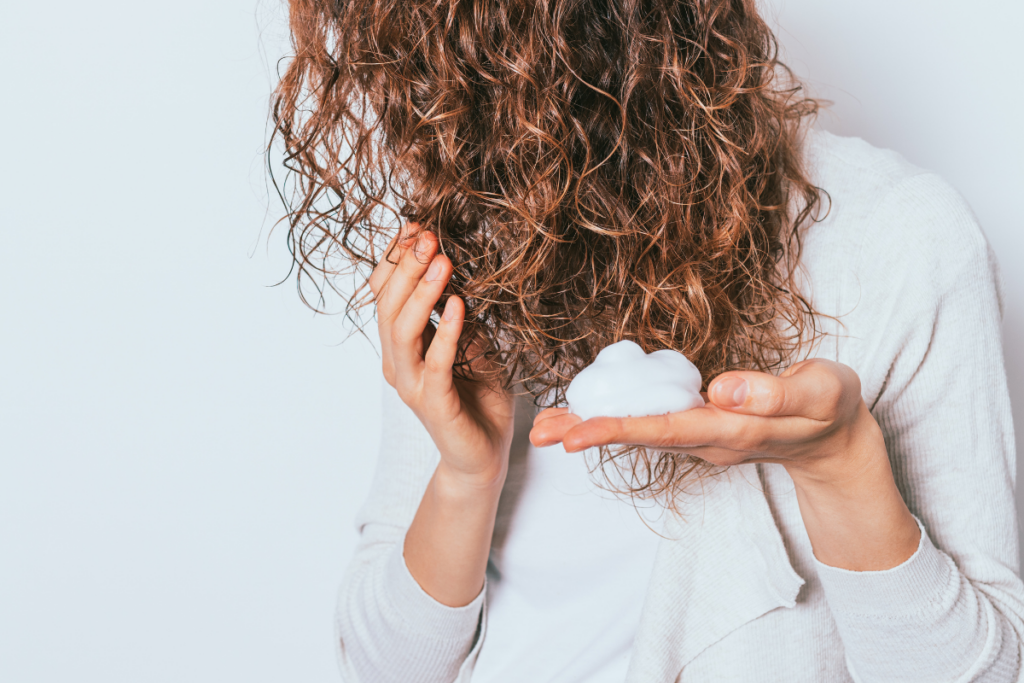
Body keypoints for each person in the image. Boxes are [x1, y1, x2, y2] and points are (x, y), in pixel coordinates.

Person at [270, 0, 1023, 680]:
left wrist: (838, 463)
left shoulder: (898, 240)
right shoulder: (478, 229)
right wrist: (468, 471)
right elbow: (382, 664)